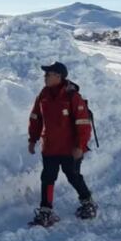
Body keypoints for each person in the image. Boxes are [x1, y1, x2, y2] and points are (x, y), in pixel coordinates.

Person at [28, 61, 97, 226]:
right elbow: (35, 118)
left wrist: (80, 146)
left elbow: (83, 123)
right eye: (45, 74)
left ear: (58, 77)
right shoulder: (43, 95)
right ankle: (46, 211)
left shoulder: (72, 96)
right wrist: (33, 139)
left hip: (70, 148)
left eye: (48, 74)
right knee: (47, 177)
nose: (45, 77)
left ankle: (88, 202)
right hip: (50, 146)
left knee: (73, 176)